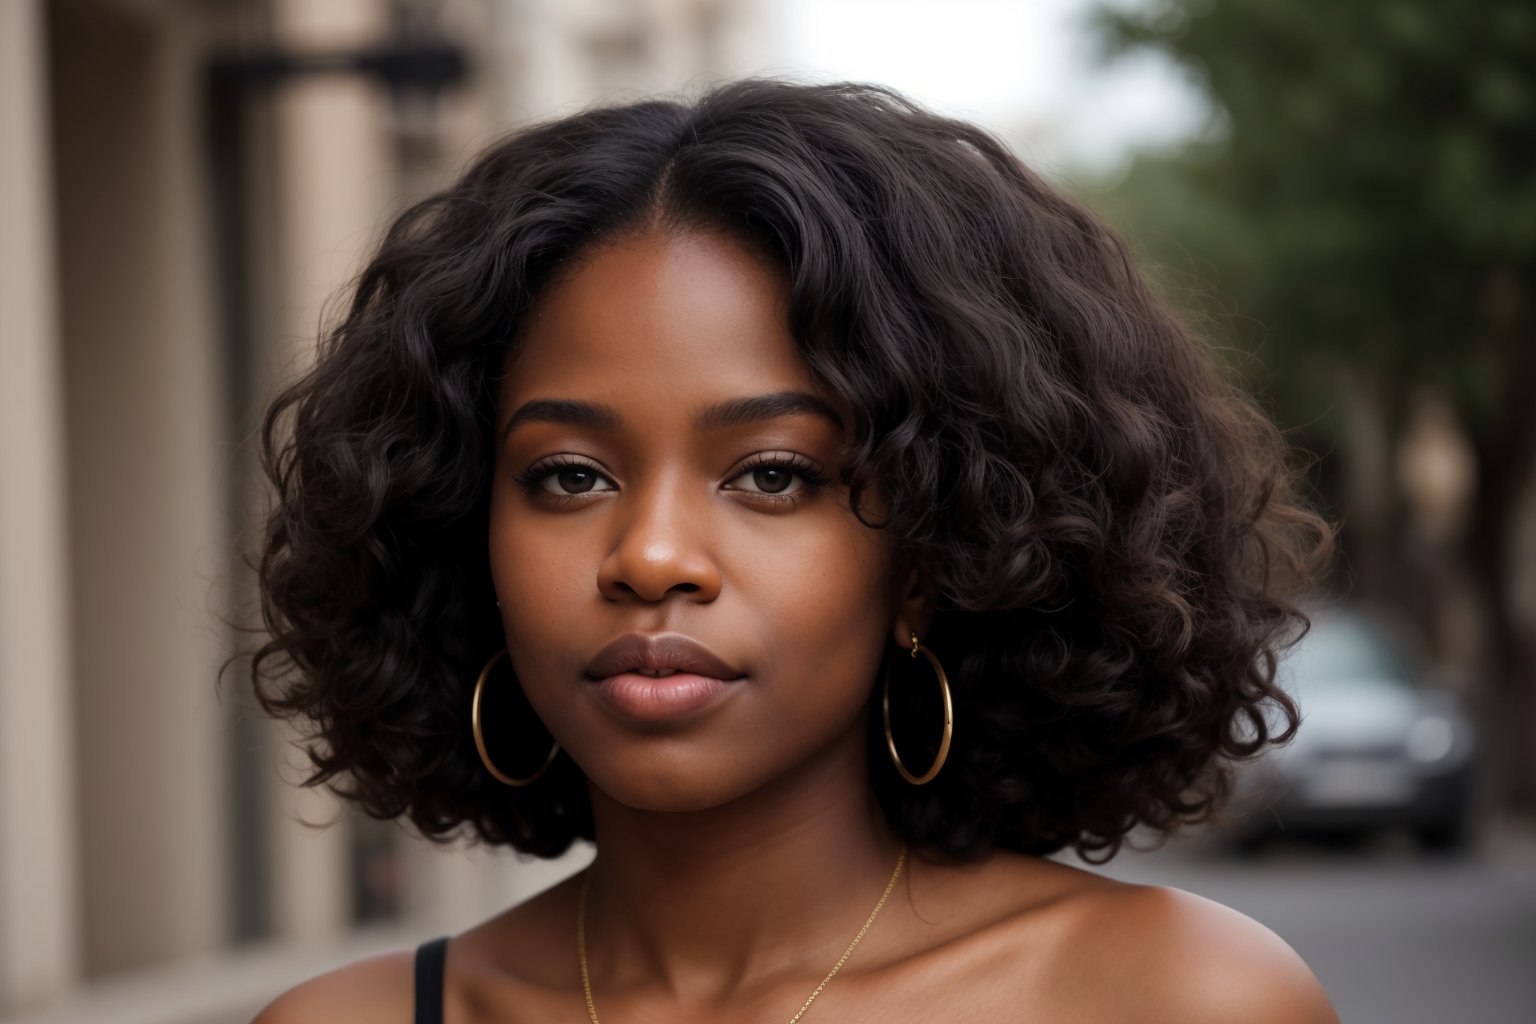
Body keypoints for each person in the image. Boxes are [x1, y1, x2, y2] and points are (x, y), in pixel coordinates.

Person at [249, 79, 1337, 1023]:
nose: (652, 553)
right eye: (568, 475)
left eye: (773, 473)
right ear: (464, 535)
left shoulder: (1177, 998)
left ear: (930, 556)